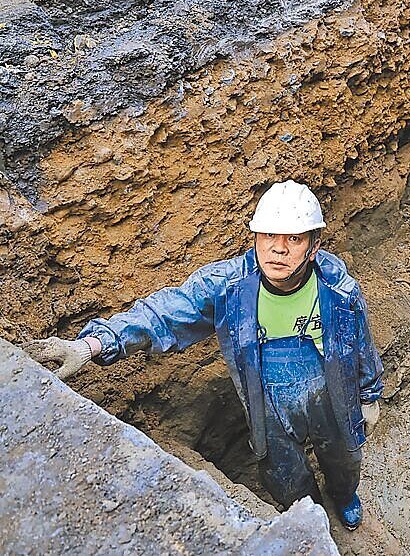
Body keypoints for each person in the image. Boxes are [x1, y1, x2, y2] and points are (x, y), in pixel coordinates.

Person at [22, 180, 383, 530]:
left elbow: (360, 344)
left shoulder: (338, 291)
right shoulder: (228, 288)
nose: (278, 249)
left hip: (331, 396)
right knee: (284, 475)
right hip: (266, 405)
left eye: (293, 238)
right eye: (269, 235)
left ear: (314, 245)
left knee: (343, 458)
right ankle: (312, 518)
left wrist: (369, 395)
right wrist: (91, 345)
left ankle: (344, 496)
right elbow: (164, 312)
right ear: (255, 238)